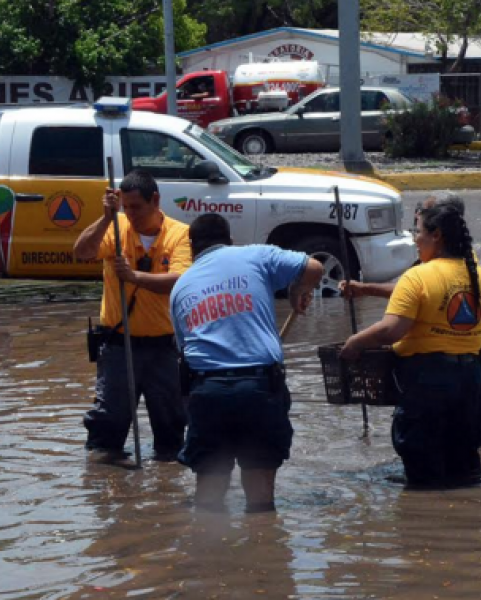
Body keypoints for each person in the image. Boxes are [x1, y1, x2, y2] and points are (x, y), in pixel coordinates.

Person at [339, 197, 481, 489]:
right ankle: (470, 517)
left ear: (436, 235)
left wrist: (355, 342)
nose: (415, 240)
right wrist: (459, 341)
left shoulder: (417, 277)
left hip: (426, 379)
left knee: (422, 466)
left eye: (418, 232)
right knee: (463, 458)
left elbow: (390, 331)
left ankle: (424, 522)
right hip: (470, 377)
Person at [171, 213, 323, 512]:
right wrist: (297, 290)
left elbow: (184, 354)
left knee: (209, 496)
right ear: (230, 241)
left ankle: (210, 550)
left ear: (192, 249)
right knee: (261, 496)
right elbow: (314, 267)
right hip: (259, 388)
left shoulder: (180, 287)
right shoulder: (256, 254)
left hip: (208, 390)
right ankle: (263, 547)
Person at [74, 170, 191, 460]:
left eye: (136, 207)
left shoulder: (179, 234)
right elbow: (82, 252)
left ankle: (166, 493)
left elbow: (180, 282)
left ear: (155, 200)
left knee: (171, 430)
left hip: (164, 347)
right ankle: (108, 489)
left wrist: (134, 276)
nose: (131, 214)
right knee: (107, 426)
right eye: (125, 207)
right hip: (118, 344)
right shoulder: (114, 226)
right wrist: (105, 217)